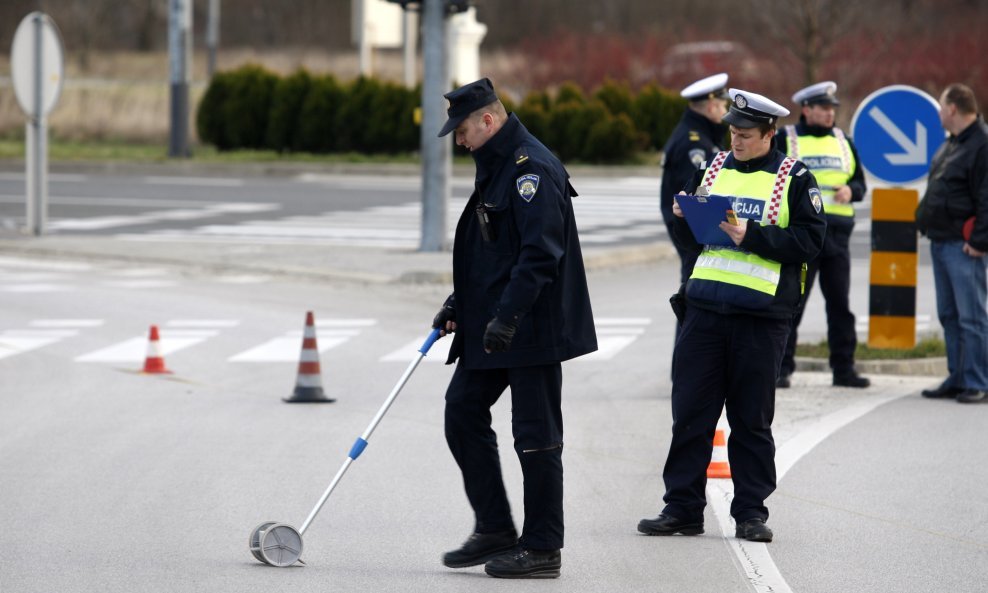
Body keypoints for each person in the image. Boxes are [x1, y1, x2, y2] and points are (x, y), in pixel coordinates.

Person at [638, 89, 826, 542]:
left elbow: (809, 242)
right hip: (704, 310)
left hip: (760, 319)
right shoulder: (715, 166)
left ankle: (750, 513)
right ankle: (682, 508)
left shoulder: (794, 177)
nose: (735, 141)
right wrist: (685, 215)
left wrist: (753, 236)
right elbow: (698, 235)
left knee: (750, 420)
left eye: (745, 134)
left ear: (769, 133)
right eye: (732, 132)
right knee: (690, 416)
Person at [432, 78, 598, 579]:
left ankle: (543, 547)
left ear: (488, 119)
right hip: (497, 323)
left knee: (536, 436)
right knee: (461, 411)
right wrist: (461, 301)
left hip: (532, 326)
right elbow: (495, 249)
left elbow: (539, 254)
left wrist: (505, 317)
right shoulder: (498, 164)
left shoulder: (531, 169)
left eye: (462, 131)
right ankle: (496, 528)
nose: (459, 142)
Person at [775, 82, 870, 389]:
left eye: (833, 109)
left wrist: (850, 190)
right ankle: (781, 368)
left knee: (840, 306)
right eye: (824, 108)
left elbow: (860, 184)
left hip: (837, 237)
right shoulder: (786, 138)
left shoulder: (844, 141)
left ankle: (844, 369)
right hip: (801, 236)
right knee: (793, 303)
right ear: (807, 110)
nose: (831, 113)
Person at [916, 83, 988, 404]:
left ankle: (978, 381)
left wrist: (980, 240)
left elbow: (986, 197)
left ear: (953, 109)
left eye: (941, 108)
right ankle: (958, 377)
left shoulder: (981, 145)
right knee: (949, 314)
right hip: (942, 239)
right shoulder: (954, 143)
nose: (939, 114)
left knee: (971, 317)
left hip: (964, 245)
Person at [661, 73, 731, 284]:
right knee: (694, 296)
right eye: (723, 106)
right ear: (711, 107)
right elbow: (697, 192)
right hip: (695, 231)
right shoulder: (694, 143)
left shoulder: (702, 135)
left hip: (697, 230)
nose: (725, 112)